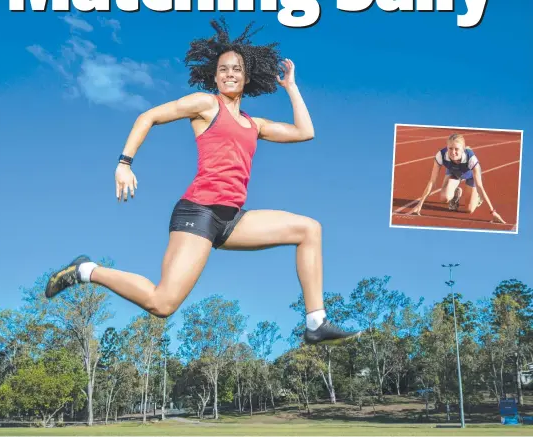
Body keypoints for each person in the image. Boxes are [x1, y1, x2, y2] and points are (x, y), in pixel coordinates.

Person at [45, 19, 360, 346]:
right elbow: (148, 116)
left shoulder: (256, 124)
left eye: (236, 69)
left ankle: (315, 323)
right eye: (223, 69)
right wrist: (124, 164)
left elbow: (305, 132)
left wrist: (291, 87)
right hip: (199, 213)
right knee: (162, 303)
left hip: (233, 219)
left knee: (309, 229)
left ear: (246, 77)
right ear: (214, 76)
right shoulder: (206, 105)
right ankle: (86, 270)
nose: (229, 74)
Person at [410, 133, 506, 223]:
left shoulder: (471, 159)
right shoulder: (441, 155)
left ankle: (478, 197)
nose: (453, 152)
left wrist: (493, 212)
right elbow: (432, 181)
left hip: (470, 176)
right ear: (447, 147)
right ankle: (455, 196)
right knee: (444, 198)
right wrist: (420, 204)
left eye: (457, 149)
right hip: (454, 173)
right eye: (450, 148)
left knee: (469, 209)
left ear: (463, 149)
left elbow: (480, 185)